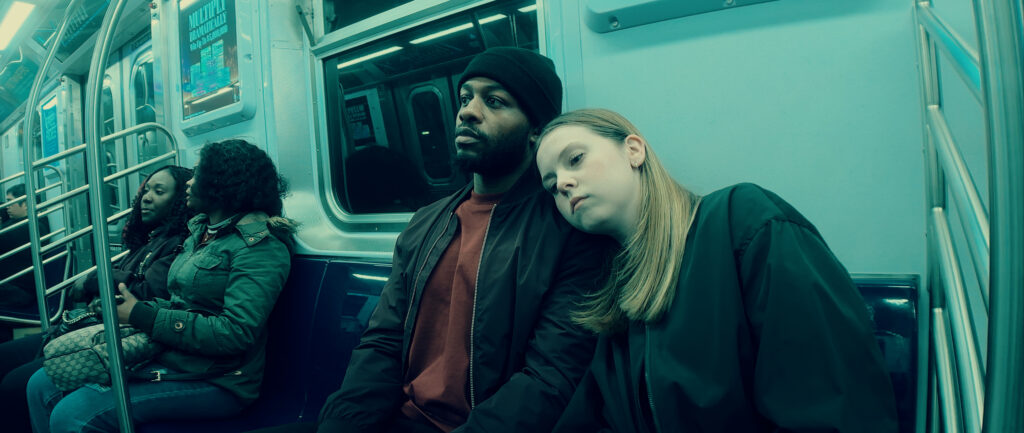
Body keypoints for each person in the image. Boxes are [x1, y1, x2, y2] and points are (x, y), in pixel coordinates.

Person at [251, 47, 612, 433]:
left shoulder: (568, 234)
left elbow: (551, 378)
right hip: (395, 418)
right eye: (464, 98)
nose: (468, 112)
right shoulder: (428, 222)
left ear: (536, 129)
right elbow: (384, 340)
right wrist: (343, 425)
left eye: (494, 101)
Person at [535, 108, 899, 433]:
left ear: (633, 150)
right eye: (551, 185)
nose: (564, 184)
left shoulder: (743, 221)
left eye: (576, 159)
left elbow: (830, 402)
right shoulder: (617, 298)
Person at [26, 140, 296, 433]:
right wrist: (136, 308)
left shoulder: (259, 247)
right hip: (175, 356)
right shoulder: (202, 233)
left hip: (220, 378)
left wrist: (143, 315)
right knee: (42, 385)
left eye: (198, 173)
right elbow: (182, 302)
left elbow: (235, 333)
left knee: (73, 415)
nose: (190, 182)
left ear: (223, 181)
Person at [0, 165, 194, 433]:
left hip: (123, 335)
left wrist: (96, 280)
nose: (146, 197)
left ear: (178, 201)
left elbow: (146, 290)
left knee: (17, 384)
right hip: (97, 325)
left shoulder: (179, 242)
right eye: (146, 189)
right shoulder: (148, 241)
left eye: (159, 191)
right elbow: (129, 283)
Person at [0, 183, 53, 309]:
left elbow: (5, 239)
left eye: (10, 202)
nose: (7, 206)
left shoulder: (33, 227)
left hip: (18, 291)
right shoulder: (17, 221)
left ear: (25, 204)